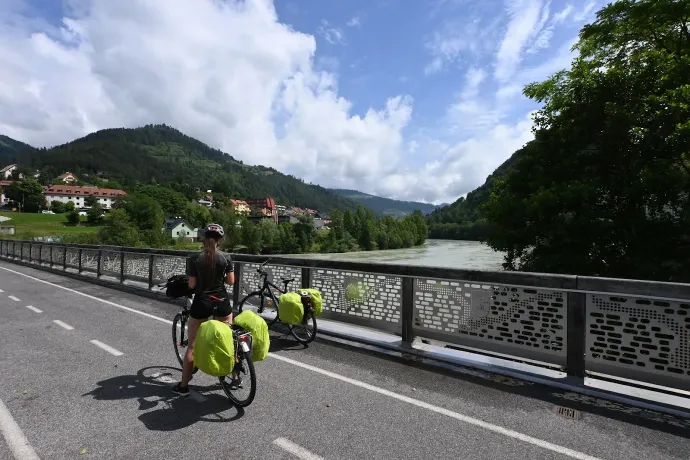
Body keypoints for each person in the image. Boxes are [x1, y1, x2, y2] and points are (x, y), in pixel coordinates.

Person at [172, 223, 237, 396]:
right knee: (229, 341)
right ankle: (236, 377)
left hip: (202, 301)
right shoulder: (226, 257)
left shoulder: (195, 258)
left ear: (203, 238)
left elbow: (192, 284)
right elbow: (231, 281)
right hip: (221, 300)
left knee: (192, 345)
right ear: (219, 240)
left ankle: (184, 386)